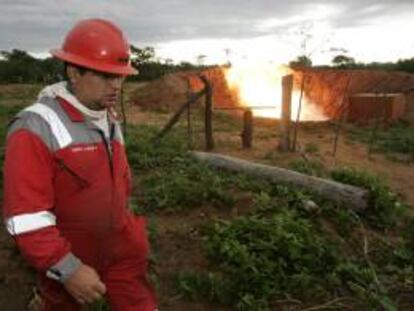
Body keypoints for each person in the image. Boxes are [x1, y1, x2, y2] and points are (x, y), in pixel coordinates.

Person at [2, 18, 157, 310]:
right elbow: (26, 217)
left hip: (122, 253)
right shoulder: (35, 127)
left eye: (121, 76)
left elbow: (119, 185)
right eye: (106, 76)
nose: (117, 85)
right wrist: (66, 267)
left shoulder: (106, 114)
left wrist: (134, 238)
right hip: (69, 255)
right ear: (74, 72)